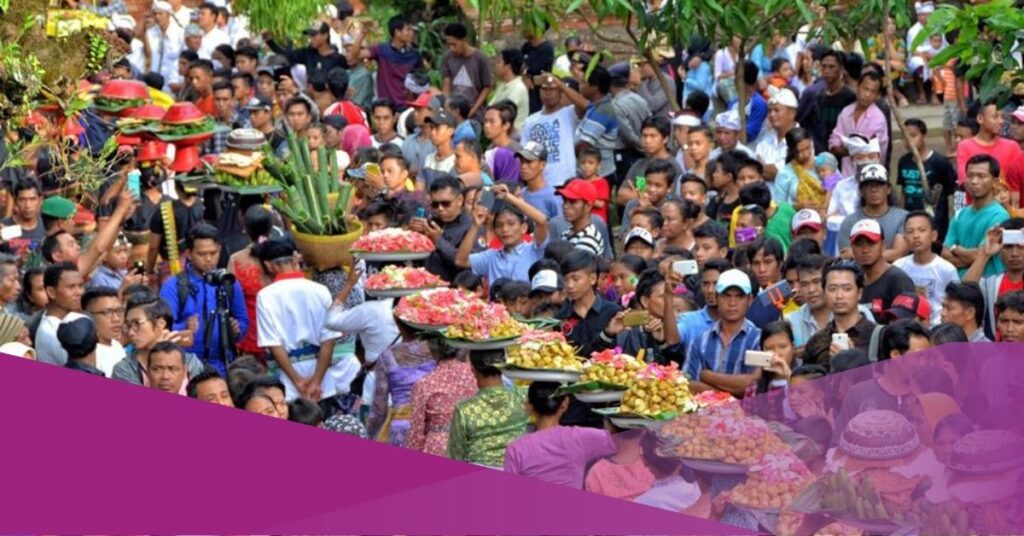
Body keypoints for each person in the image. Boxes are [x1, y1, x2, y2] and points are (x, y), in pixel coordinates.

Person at [255, 239, 346, 407]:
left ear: (269, 265)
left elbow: (274, 345)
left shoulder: (265, 296)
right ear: (294, 259)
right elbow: (329, 340)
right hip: (320, 374)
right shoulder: (320, 290)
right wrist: (317, 381)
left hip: (288, 377)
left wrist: (297, 381)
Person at [158, 224, 249, 375]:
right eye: (202, 254)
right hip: (186, 366)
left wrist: (237, 329)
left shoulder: (228, 282)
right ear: (189, 253)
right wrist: (184, 328)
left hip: (225, 365)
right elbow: (161, 329)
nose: (209, 259)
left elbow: (243, 320)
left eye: (213, 253)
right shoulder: (174, 285)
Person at [504, 381, 616, 488]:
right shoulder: (582, 438)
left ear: (529, 407)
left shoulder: (516, 449)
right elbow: (621, 440)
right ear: (565, 403)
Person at [684, 269, 761, 395]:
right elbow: (689, 385)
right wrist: (732, 393)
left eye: (739, 296)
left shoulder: (759, 340)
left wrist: (707, 375)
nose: (732, 303)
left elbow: (751, 385)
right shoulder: (699, 341)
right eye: (726, 295)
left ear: (750, 300)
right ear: (716, 298)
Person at [447, 349, 528, 467]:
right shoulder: (521, 397)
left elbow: (455, 455)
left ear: (473, 370)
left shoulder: (465, 409)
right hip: (517, 469)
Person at [406, 340, 477, 457]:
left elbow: (416, 430)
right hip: (471, 443)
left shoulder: (424, 384)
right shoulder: (475, 375)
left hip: (438, 447)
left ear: (432, 350)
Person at [943, 155, 1011, 278]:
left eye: (981, 176)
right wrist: (970, 255)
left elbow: (981, 254)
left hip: (987, 284)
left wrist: (955, 248)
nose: (974, 181)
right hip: (959, 286)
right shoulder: (960, 214)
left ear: (995, 182)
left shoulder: (1000, 215)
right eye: (970, 176)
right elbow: (945, 254)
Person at [803, 260, 880, 366]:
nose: (839, 295)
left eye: (847, 289)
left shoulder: (879, 336)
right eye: (832, 289)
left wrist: (854, 362)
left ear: (859, 293)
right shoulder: (816, 342)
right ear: (824, 292)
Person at [600, 269, 683, 366]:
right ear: (645, 301)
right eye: (664, 297)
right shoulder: (627, 331)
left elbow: (678, 367)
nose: (671, 302)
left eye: (672, 296)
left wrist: (662, 343)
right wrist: (608, 334)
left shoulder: (681, 325)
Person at [113, 298, 203, 388]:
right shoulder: (124, 369)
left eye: (136, 323)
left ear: (161, 324)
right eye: (129, 325)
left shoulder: (191, 363)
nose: (130, 332)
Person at [893, 211, 959, 325]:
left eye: (922, 230)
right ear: (905, 237)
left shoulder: (947, 269)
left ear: (934, 236)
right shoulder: (898, 267)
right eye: (910, 231)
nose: (916, 236)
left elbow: (956, 303)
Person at [897, 118, 957, 240]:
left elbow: (951, 192)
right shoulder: (903, 161)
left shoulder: (939, 162)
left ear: (924, 136)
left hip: (935, 219)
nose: (908, 141)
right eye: (905, 137)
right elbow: (904, 190)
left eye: (913, 135)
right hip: (911, 216)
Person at [963, 219, 1024, 337]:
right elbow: (963, 293)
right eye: (1008, 246)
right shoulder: (990, 284)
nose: (1015, 253)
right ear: (1000, 250)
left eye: (1021, 246)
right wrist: (985, 254)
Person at [837, 163, 910, 262]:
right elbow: (846, 256)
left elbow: (898, 254)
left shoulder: (904, 217)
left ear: (888, 189)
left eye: (879, 184)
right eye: (868, 185)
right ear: (861, 191)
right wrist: (885, 253)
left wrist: (858, 255)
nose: (874, 189)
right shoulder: (849, 222)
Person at [848, 219, 916, 322]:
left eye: (871, 243)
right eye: (859, 244)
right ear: (852, 247)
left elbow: (907, 325)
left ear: (883, 245)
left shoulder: (898, 280)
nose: (865, 250)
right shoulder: (849, 280)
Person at [347, 15, 423, 105]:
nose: (412, 33)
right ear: (397, 32)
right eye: (408, 29)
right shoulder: (382, 50)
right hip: (385, 106)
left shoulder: (414, 55)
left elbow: (420, 81)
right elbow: (354, 55)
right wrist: (362, 34)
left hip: (406, 106)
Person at [522, 74, 579, 188]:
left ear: (560, 92)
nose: (547, 93)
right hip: (540, 182)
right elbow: (526, 152)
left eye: (552, 89)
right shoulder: (531, 120)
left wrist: (561, 85)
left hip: (565, 181)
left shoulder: (569, 113)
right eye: (544, 89)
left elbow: (586, 106)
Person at [829, 71, 889, 178]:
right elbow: (835, 139)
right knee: (827, 184)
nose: (867, 95)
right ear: (858, 87)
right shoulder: (846, 112)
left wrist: (846, 149)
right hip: (846, 175)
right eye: (865, 89)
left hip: (869, 177)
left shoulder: (878, 118)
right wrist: (837, 147)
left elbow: (867, 150)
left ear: (877, 96)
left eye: (872, 92)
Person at [797, 49, 857, 154]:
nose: (827, 71)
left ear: (841, 69)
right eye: (824, 66)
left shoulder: (849, 97)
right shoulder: (817, 96)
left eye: (831, 67)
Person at [955, 99, 1021, 185]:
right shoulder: (964, 147)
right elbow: (965, 181)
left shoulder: (1012, 147)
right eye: (995, 117)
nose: (1001, 121)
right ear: (980, 118)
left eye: (1002, 117)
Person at [35, 263, 86, 366]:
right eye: (71, 287)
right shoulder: (51, 334)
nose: (79, 292)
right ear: (51, 292)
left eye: (80, 286)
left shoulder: (70, 319)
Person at [439, 22, 492, 120]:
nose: (452, 48)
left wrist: (473, 109)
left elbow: (487, 87)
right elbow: (446, 84)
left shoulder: (480, 58)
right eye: (449, 45)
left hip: (475, 114)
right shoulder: (447, 58)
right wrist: (446, 106)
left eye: (454, 44)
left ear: (464, 40)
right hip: (453, 112)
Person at [574, 66, 619, 180]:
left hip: (599, 174)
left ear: (595, 87)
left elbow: (584, 144)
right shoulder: (596, 106)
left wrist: (566, 153)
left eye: (584, 82)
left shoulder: (603, 111)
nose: (580, 85)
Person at [267, 22, 348, 81]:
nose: (310, 38)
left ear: (325, 35)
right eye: (309, 35)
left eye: (314, 35)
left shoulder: (338, 59)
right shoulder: (308, 53)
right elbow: (286, 54)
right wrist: (269, 41)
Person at [754, 88, 799, 183]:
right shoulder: (765, 140)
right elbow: (755, 170)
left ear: (792, 114)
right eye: (770, 111)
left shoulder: (802, 140)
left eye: (776, 110)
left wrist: (763, 168)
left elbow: (783, 174)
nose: (772, 114)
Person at [82, 287, 126, 377]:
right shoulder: (90, 356)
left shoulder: (116, 344)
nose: (116, 319)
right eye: (107, 312)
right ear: (88, 316)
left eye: (119, 311)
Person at [557, 179, 606, 256]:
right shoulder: (567, 233)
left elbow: (572, 267)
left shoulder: (589, 239)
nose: (565, 206)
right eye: (564, 200)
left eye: (573, 202)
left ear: (588, 206)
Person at [489, 48, 529, 130]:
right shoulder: (502, 85)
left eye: (499, 62)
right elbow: (490, 107)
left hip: (513, 136)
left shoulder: (518, 88)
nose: (496, 65)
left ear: (508, 66)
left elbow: (504, 114)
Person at [418, 110, 458, 190]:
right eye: (432, 127)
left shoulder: (456, 161)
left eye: (437, 128)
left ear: (450, 131)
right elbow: (418, 190)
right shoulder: (427, 159)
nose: (432, 132)